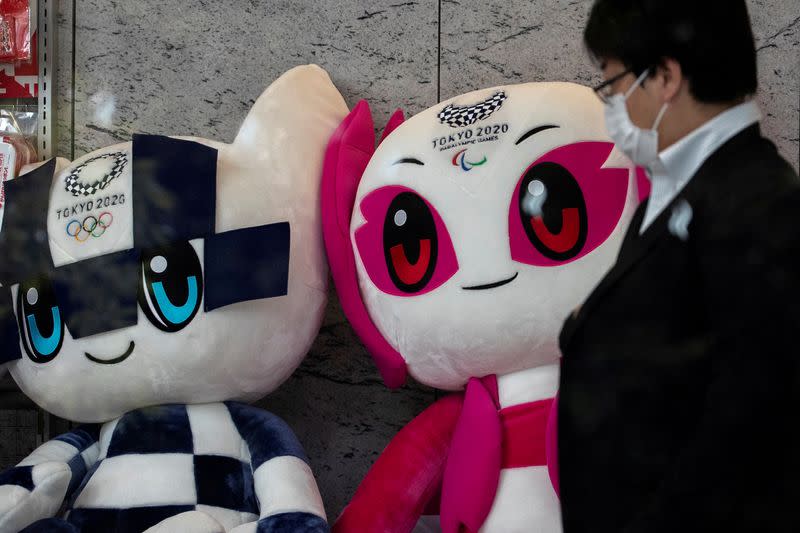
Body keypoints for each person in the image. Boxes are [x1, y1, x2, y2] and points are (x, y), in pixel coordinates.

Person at [557, 1, 800, 532]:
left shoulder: (761, 201)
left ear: (665, 76)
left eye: (614, 85)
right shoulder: (671, 190)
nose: (613, 107)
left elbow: (751, 415)